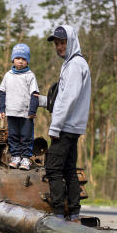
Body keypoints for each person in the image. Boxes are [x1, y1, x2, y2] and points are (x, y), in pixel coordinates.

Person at [38, 25, 92, 221]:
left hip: (66, 127)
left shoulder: (75, 65)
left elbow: (68, 98)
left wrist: (55, 126)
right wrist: (42, 100)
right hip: (72, 126)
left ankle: (59, 215)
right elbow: (61, 98)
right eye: (57, 44)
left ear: (72, 42)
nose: (59, 47)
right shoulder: (73, 64)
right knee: (69, 169)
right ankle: (74, 214)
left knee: (52, 168)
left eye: (63, 43)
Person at [0, 43, 40, 170]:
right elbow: (2, 92)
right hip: (11, 112)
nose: (20, 61)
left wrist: (32, 110)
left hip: (26, 113)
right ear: (13, 59)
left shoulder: (30, 76)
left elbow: (35, 94)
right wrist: (2, 109)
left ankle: (26, 158)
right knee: (13, 136)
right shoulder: (8, 75)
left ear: (27, 61)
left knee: (26, 136)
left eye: (23, 59)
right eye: (18, 58)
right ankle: (16, 157)